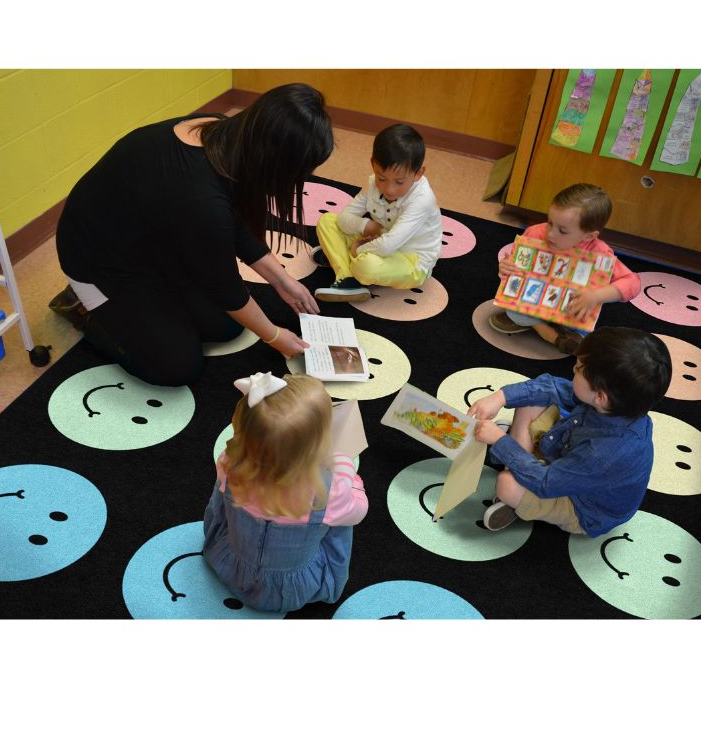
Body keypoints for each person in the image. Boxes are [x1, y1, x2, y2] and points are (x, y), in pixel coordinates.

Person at [52, 83, 334, 386]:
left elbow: (231, 219)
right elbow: (225, 285)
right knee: (176, 366)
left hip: (153, 242)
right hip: (99, 262)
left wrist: (281, 279)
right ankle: (83, 308)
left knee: (227, 327)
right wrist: (275, 337)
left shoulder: (220, 131)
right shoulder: (200, 199)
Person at [468, 327, 672, 537]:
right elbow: (553, 388)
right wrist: (500, 397)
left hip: (582, 506)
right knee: (531, 401)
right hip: (569, 458)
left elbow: (546, 483)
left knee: (506, 484)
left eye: (578, 369)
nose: (573, 370)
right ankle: (518, 463)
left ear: (600, 397)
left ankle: (516, 480)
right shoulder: (617, 404)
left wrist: (501, 441)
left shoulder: (602, 454)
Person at [202, 372, 368, 613]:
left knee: (222, 492)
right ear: (315, 446)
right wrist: (344, 464)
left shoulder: (229, 463)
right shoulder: (328, 491)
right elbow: (359, 510)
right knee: (341, 518)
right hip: (291, 590)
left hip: (229, 566)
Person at [490, 183, 641, 354]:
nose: (551, 233)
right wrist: (505, 267)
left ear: (589, 235)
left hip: (571, 310)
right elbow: (515, 264)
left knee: (582, 328)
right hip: (533, 300)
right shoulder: (535, 234)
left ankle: (540, 327)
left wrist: (595, 296)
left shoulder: (600, 253)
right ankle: (549, 334)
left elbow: (633, 283)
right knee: (513, 310)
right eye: (550, 222)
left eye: (562, 230)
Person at [312, 123, 442, 302]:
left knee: (366, 267)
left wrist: (357, 249)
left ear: (418, 173)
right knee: (327, 220)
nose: (389, 189)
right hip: (379, 238)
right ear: (373, 164)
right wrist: (366, 225)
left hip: (411, 260)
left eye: (399, 182)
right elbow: (343, 218)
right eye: (382, 178)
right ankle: (347, 278)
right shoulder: (373, 182)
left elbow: (387, 246)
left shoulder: (422, 200)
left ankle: (342, 261)